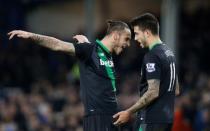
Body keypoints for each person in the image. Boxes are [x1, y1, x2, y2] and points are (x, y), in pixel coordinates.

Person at [8, 20, 131, 131]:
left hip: (111, 117)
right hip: (98, 117)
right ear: (115, 36)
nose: (128, 44)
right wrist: (31, 36)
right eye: (126, 39)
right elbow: (58, 45)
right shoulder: (89, 50)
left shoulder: (105, 55)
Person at [113, 13, 180, 131]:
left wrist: (129, 112)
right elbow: (176, 89)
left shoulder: (152, 55)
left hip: (150, 120)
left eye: (137, 33)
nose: (135, 38)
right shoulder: (169, 53)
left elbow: (153, 92)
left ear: (147, 33)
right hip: (166, 119)